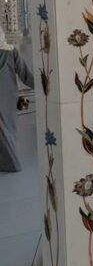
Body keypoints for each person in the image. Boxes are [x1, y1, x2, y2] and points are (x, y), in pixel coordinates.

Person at [0, 27, 34, 172]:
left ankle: (11, 164)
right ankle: (11, 164)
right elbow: (25, 74)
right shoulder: (10, 51)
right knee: (7, 129)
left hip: (7, 95)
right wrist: (45, 86)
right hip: (7, 96)